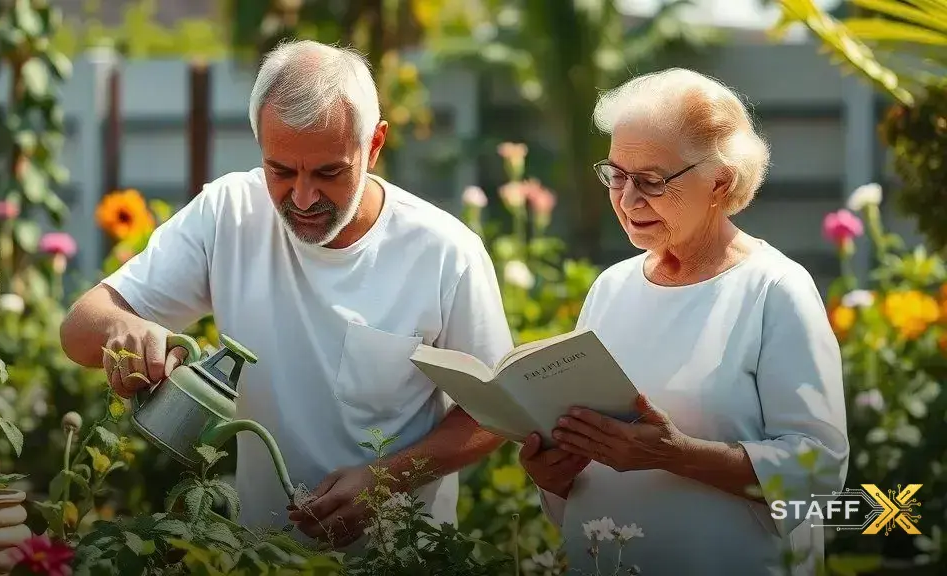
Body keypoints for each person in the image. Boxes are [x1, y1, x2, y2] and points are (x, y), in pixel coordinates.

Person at [59, 39, 514, 550]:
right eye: (280, 170)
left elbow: (497, 410)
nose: (302, 197)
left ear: (375, 145)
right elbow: (80, 328)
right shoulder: (229, 213)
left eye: (328, 172)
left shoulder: (444, 252)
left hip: (401, 558)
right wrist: (129, 328)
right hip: (259, 557)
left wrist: (387, 479)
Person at [519, 68, 849, 575]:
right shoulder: (612, 287)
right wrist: (553, 474)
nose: (628, 200)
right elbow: (584, 471)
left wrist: (677, 454)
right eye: (616, 175)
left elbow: (818, 473)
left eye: (651, 180)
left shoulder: (774, 289)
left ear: (721, 180)